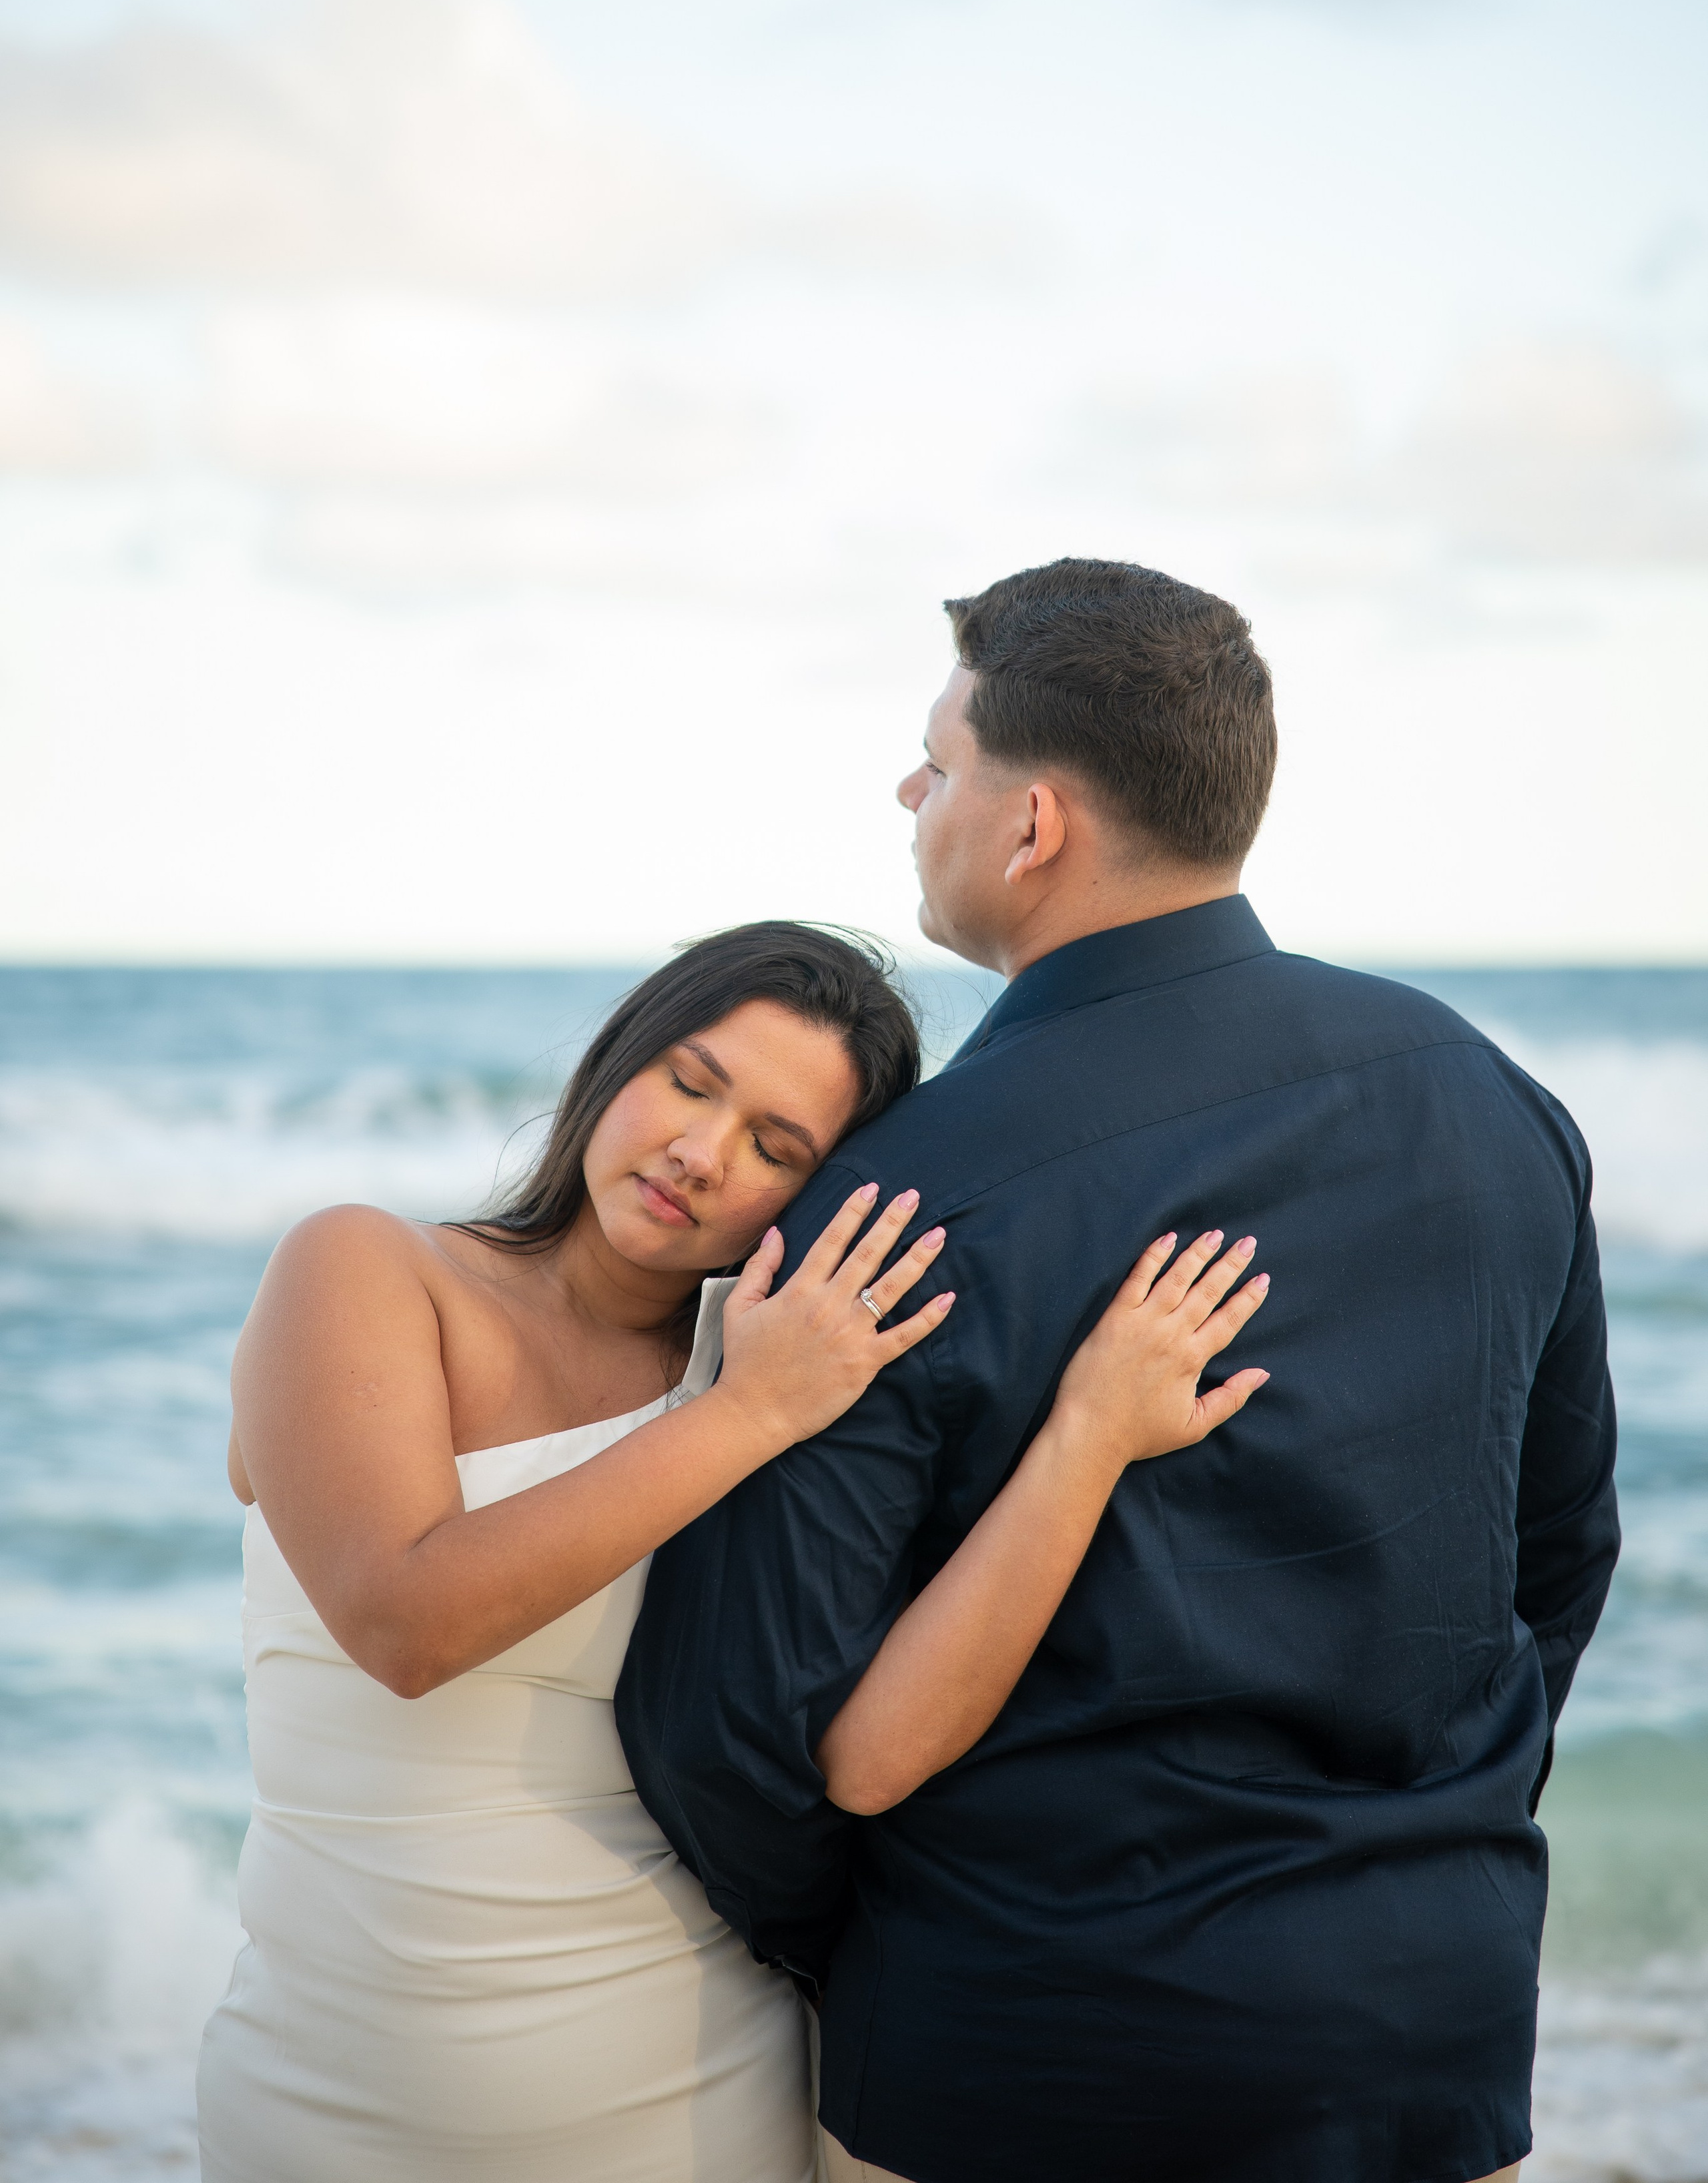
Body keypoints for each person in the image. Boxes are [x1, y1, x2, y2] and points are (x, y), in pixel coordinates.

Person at [620, 558, 1621, 2183]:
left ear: (1032, 830)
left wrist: (886, 1962)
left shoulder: (893, 1198)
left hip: (1021, 2042)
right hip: (1422, 2034)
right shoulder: (1492, 1103)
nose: (909, 790)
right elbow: (1560, 1561)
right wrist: (1424, 1861)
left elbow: (739, 1730)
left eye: (938, 762)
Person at [196, 919, 1270, 2182]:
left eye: (777, 1149)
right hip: (328, 2102)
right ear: (621, 1058)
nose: (700, 1157)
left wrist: (1083, 1441)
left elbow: (874, 1751)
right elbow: (405, 1623)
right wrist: (751, 1414)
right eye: (690, 1083)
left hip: (695, 2095)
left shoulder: (779, 1367)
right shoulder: (371, 1269)